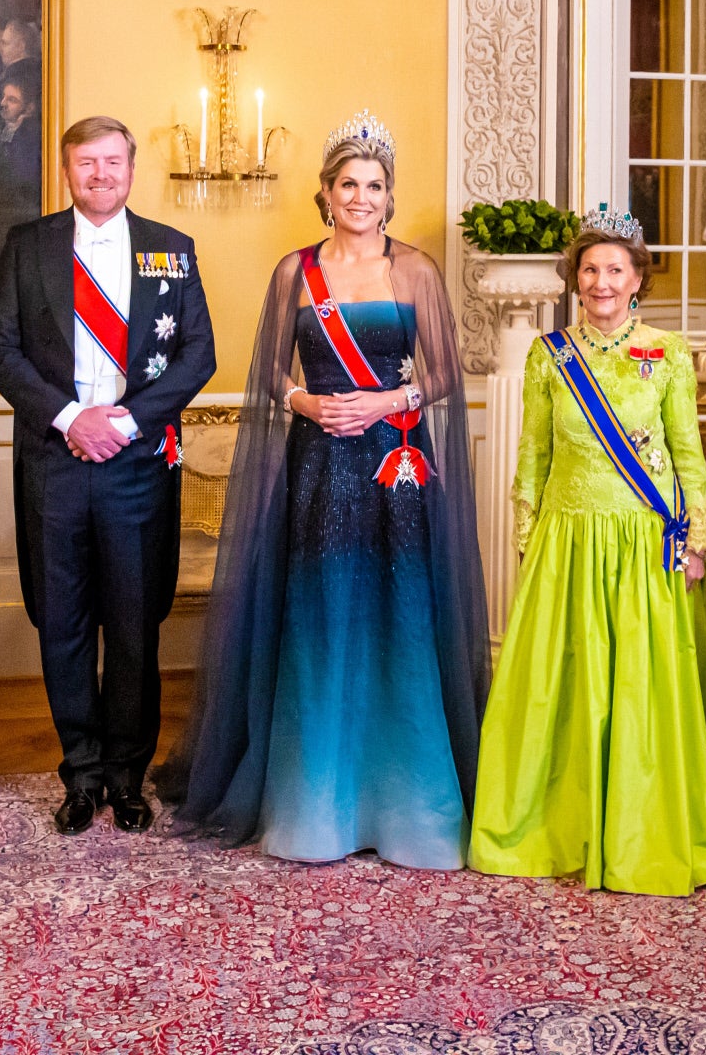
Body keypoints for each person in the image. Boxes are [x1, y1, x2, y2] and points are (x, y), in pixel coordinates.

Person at [168, 112, 487, 867]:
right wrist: (307, 403)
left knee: (400, 614)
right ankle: (316, 806)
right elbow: (267, 372)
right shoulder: (294, 272)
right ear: (326, 193)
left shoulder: (415, 270)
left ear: (389, 195)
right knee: (321, 617)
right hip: (318, 466)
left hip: (394, 467)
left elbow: (445, 373)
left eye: (374, 186)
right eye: (349, 184)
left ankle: (411, 805)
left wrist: (385, 403)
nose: (361, 198)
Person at [469, 209, 706, 895]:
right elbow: (533, 456)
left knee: (640, 690)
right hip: (568, 540)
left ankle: (640, 826)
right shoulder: (549, 355)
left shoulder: (668, 352)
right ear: (575, 278)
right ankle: (557, 822)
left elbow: (687, 453)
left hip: (644, 540)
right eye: (590, 269)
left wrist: (695, 543)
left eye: (615, 269)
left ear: (637, 278)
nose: (601, 281)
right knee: (565, 686)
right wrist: (529, 541)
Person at [0, 116, 216, 835]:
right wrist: (70, 419)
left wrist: (126, 423)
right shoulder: (27, 246)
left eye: (113, 162)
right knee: (64, 623)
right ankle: (81, 775)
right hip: (56, 462)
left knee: (135, 626)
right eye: (87, 163)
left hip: (137, 463)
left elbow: (199, 356)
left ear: (131, 170)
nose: (101, 174)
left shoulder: (173, 249)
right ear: (67, 171)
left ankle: (127, 776)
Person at [0, 75, 42, 187]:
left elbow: (24, 177)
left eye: (12, 100)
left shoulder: (31, 136)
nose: (2, 103)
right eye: (3, 96)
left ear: (29, 108)